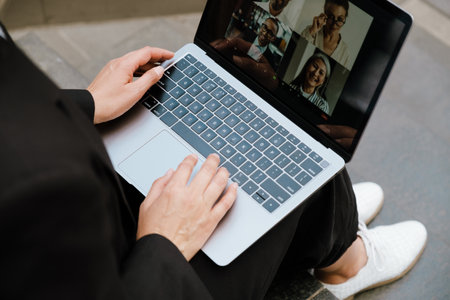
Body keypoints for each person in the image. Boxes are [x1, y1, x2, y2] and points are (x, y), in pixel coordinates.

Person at [0, 21, 427, 300]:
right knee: (297, 156)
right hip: (142, 275)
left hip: (93, 211)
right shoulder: (36, 195)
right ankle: (347, 263)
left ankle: (329, 233)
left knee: (276, 133)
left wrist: (86, 105)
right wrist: (163, 243)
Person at [301, 0, 351, 69]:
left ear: (345, 19)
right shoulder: (310, 32)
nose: (334, 24)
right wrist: (312, 31)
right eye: (331, 17)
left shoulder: (344, 52)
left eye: (340, 19)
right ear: (324, 14)